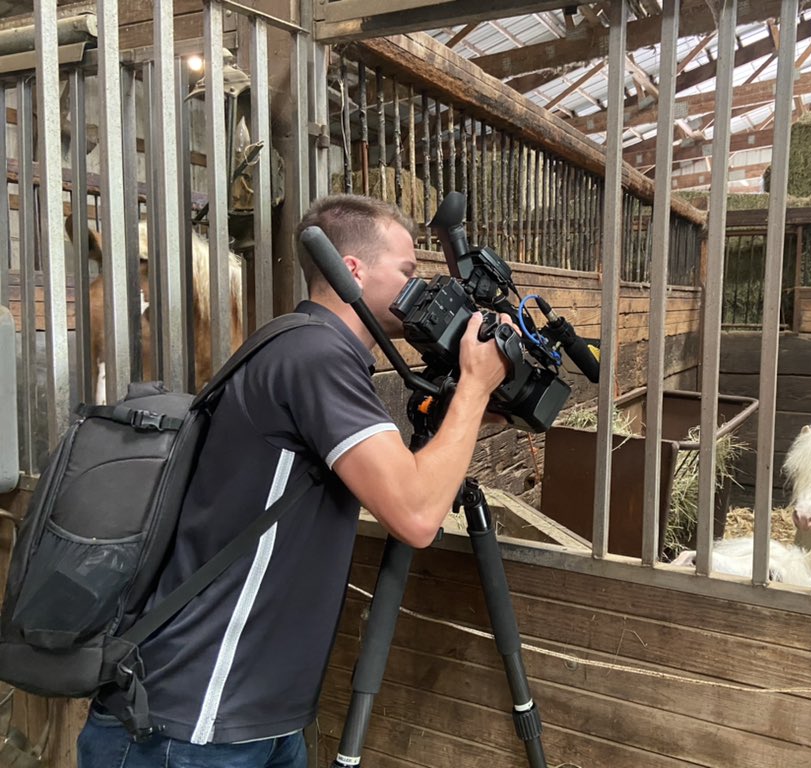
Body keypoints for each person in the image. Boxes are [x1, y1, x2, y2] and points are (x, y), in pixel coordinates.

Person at [77, 194, 512, 767]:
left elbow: (404, 479)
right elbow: (416, 515)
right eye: (408, 270)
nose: (422, 287)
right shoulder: (314, 355)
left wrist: (468, 405)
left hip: (255, 715)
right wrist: (476, 387)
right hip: (192, 722)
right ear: (353, 269)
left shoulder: (307, 347)